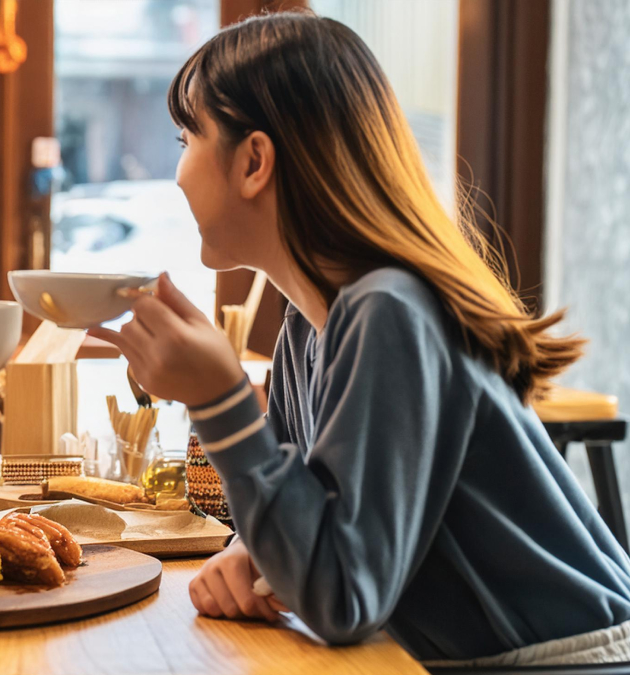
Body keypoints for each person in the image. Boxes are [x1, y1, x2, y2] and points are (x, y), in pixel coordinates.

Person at [90, 12, 630, 667]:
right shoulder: (305, 330)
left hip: (574, 662)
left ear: (254, 161)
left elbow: (344, 594)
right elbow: (315, 538)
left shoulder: (387, 311)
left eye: (186, 138)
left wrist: (222, 399)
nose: (175, 174)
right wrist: (259, 554)